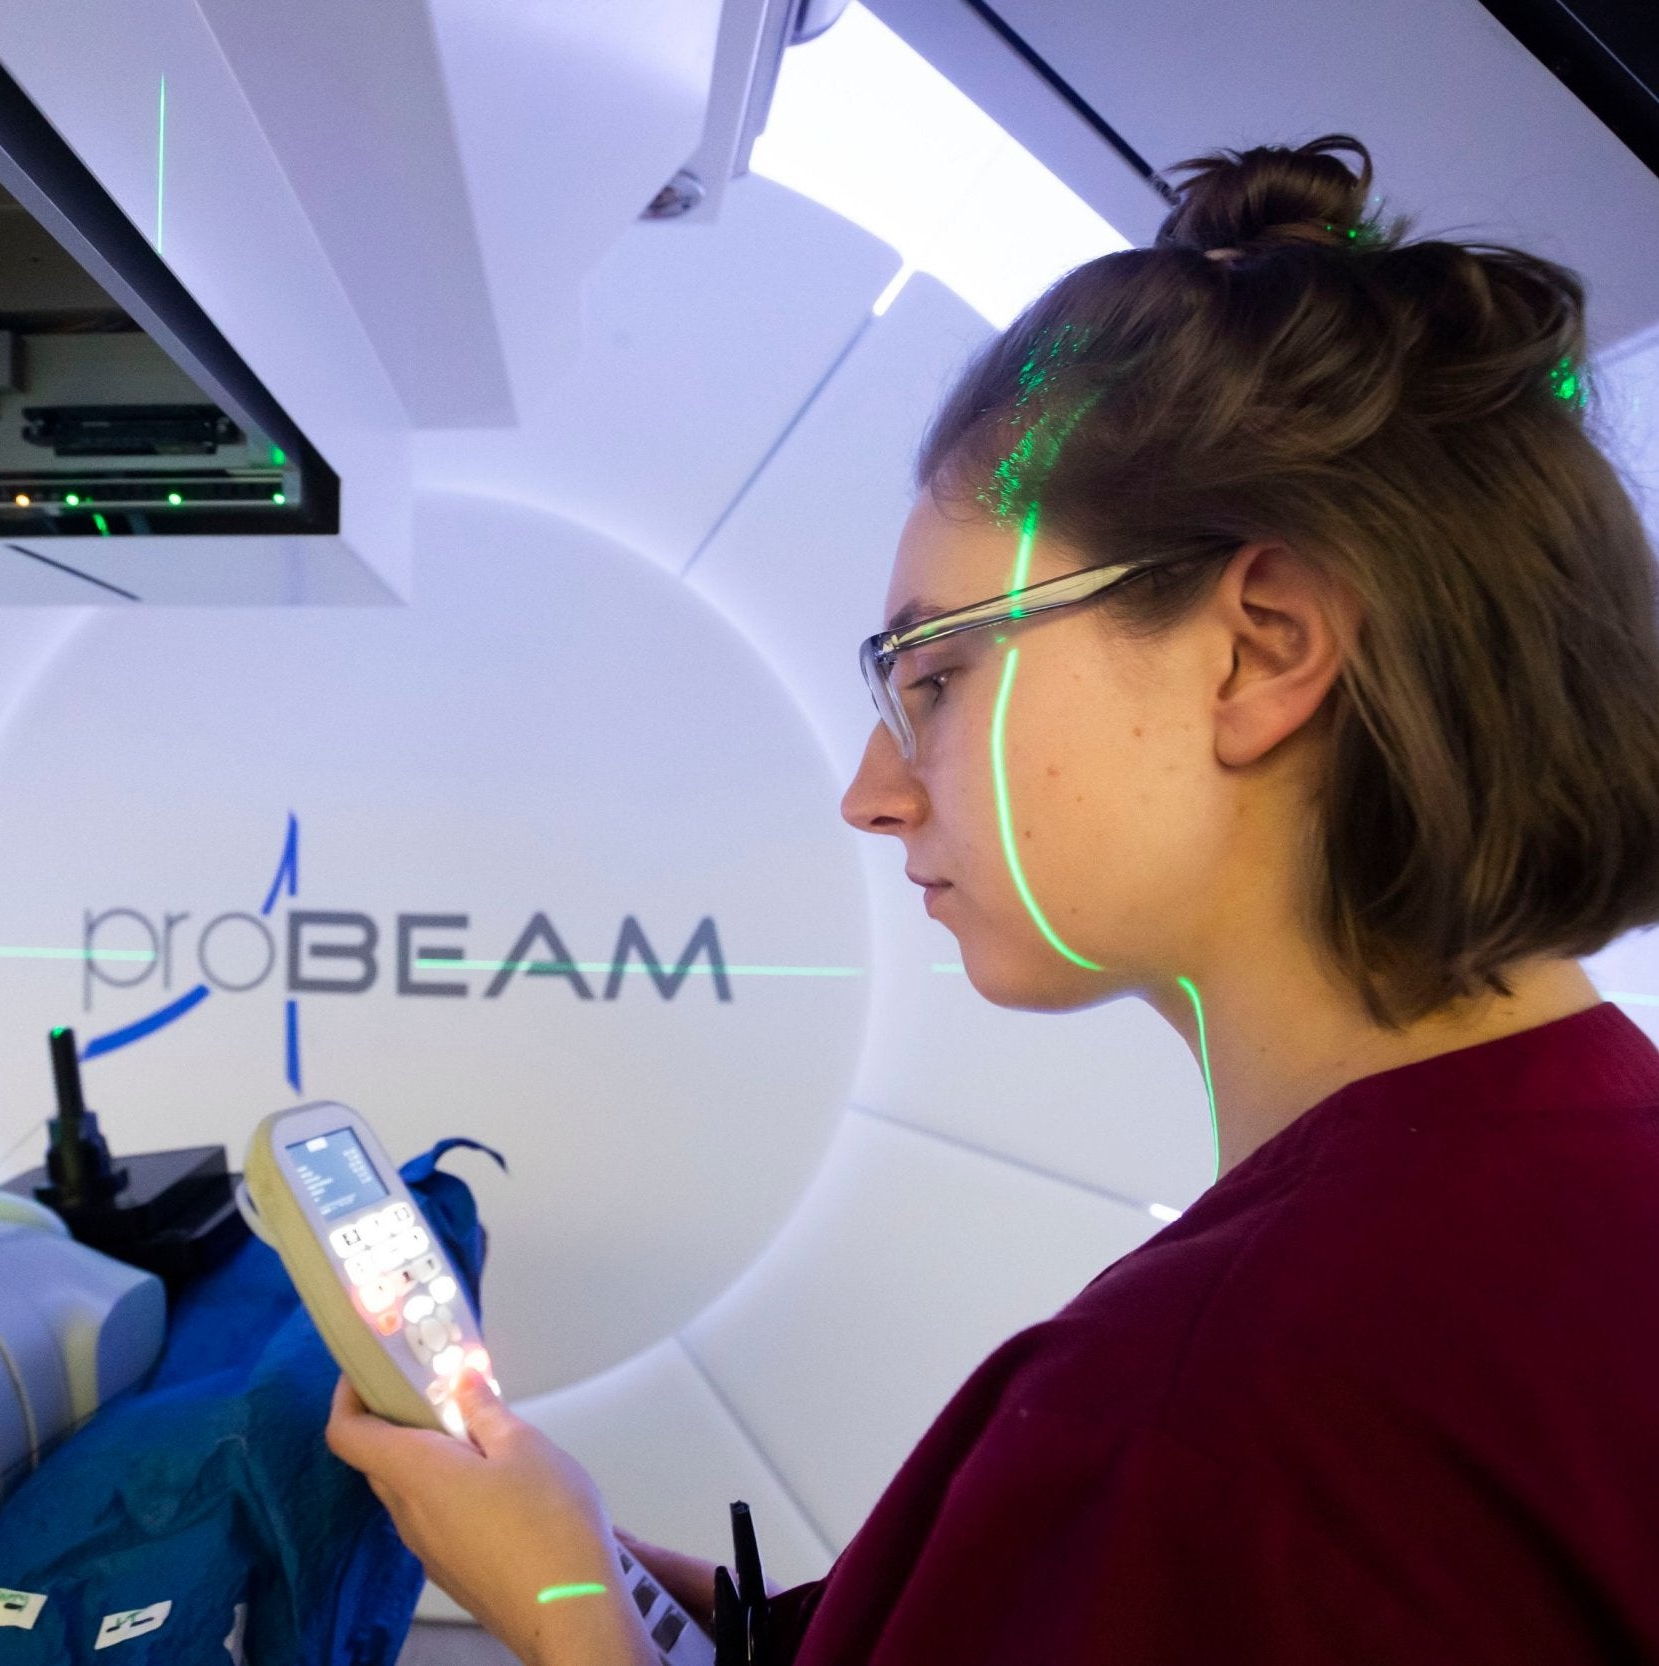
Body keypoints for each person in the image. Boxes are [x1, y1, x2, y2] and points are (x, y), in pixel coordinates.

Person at [327, 134, 1659, 1663]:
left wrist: (571, 1620)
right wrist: (693, 1598)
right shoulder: (1576, 1182)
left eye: (936, 676)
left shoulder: (1229, 1398)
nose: (873, 791)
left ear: (1263, 647)